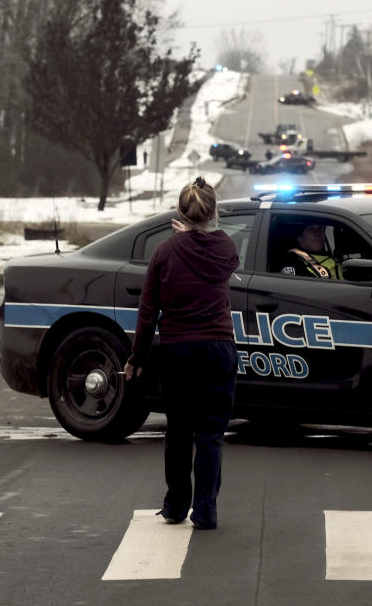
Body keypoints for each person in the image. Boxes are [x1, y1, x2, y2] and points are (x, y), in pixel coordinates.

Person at [124, 176, 239, 530]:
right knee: (210, 434)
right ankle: (206, 511)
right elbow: (209, 246)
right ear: (214, 211)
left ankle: (175, 506)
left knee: (178, 432)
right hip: (218, 348)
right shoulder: (226, 250)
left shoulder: (164, 252)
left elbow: (147, 313)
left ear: (180, 213)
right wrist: (192, 235)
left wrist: (136, 359)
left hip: (177, 350)